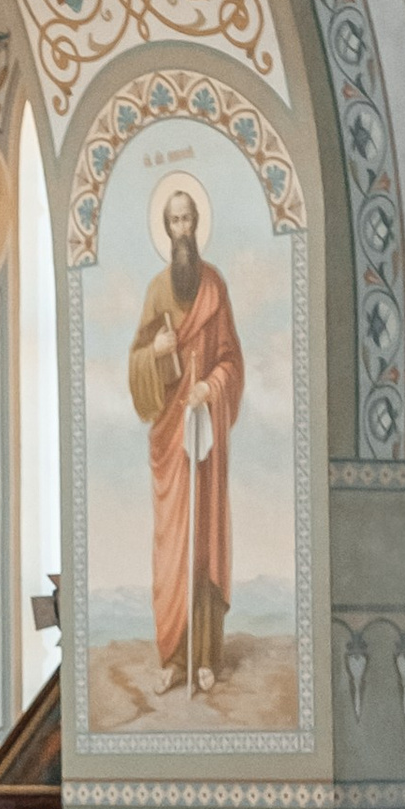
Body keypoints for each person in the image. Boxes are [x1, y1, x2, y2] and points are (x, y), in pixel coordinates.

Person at [127, 181, 245, 694]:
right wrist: (156, 352)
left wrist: (209, 386)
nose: (182, 229)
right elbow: (136, 367)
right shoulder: (157, 291)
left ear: (197, 224)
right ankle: (175, 658)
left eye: (188, 219)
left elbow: (231, 360)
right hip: (170, 437)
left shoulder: (215, 286)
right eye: (174, 221)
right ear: (166, 228)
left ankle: (206, 657)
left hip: (206, 433)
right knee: (174, 544)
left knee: (205, 541)